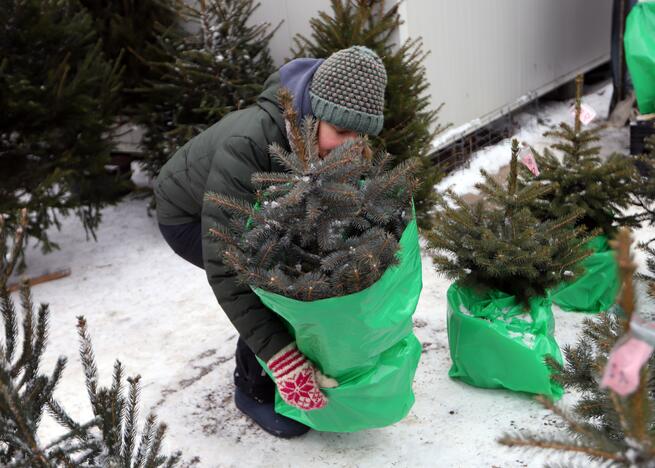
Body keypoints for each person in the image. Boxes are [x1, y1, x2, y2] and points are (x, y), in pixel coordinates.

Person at [154, 46, 387, 438]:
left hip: (257, 208)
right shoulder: (250, 144)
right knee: (268, 283)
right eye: (342, 132)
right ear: (313, 115)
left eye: (359, 134)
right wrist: (282, 357)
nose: (350, 145)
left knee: (302, 269)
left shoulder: (320, 141)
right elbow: (227, 266)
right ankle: (254, 390)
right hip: (188, 215)